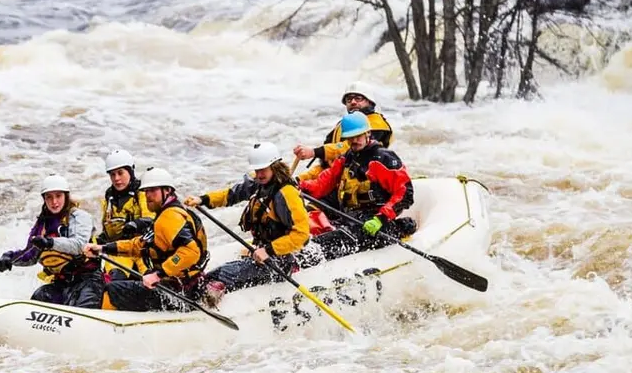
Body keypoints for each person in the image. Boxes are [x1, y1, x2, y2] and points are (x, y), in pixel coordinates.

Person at [184, 142, 311, 306]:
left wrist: (268, 250)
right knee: (212, 275)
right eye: (257, 170)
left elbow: (301, 234)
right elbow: (231, 195)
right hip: (261, 253)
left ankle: (210, 305)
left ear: (275, 166)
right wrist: (203, 199)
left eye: (263, 170)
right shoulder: (259, 184)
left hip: (281, 260)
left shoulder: (287, 195)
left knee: (224, 274)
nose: (259, 175)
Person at [82, 167, 209, 312]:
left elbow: (191, 252)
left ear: (167, 191)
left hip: (178, 290)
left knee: (113, 289)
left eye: (153, 190)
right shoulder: (166, 215)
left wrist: (159, 274)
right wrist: (103, 248)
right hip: (183, 285)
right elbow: (137, 245)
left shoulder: (170, 217)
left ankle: (107, 327)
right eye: (146, 191)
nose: (148, 195)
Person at [299, 112, 415, 262]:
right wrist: (299, 185)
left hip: (375, 222)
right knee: (309, 230)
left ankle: (398, 228)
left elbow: (405, 193)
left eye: (358, 136)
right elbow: (322, 184)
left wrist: (381, 218)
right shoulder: (347, 157)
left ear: (368, 133)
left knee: (326, 243)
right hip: (349, 218)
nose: (355, 140)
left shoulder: (383, 158)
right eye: (351, 137)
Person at [0, 174, 103, 309]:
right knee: (40, 296)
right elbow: (30, 256)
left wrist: (50, 242)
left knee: (84, 307)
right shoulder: (42, 225)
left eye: (58, 196)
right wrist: (9, 258)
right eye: (49, 197)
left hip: (88, 279)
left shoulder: (80, 217)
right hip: (61, 282)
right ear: (44, 199)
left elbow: (79, 245)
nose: (54, 202)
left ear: (66, 196)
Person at [292, 81, 394, 182]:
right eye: (349, 99)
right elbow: (327, 166)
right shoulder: (342, 126)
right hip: (341, 182)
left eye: (358, 98)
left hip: (367, 182)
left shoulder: (377, 125)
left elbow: (347, 148)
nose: (353, 102)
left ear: (370, 102)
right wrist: (300, 179)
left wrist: (314, 152)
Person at [95, 149, 154, 280]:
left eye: (120, 173)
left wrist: (135, 224)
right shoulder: (109, 199)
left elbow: (152, 220)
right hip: (119, 251)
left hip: (143, 250)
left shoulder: (143, 193)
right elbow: (108, 231)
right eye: (112, 174)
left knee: (150, 279)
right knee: (112, 279)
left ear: (130, 171)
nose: (116, 178)